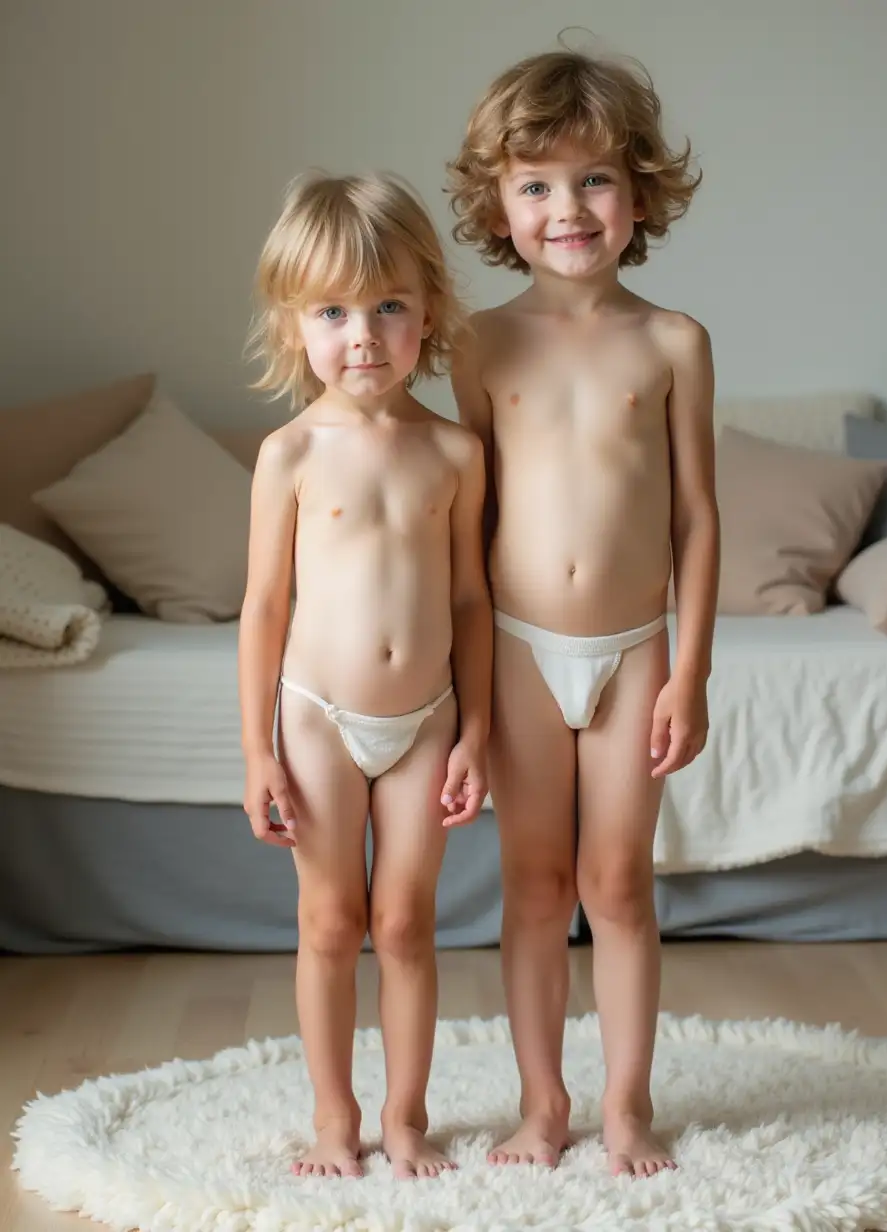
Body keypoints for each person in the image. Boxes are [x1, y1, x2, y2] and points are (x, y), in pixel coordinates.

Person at [447, 48, 719, 1179]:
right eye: (537, 185)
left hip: (631, 650)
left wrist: (688, 671)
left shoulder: (672, 343)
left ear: (642, 192)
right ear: (499, 204)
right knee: (532, 883)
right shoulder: (476, 342)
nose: (568, 209)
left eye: (595, 181)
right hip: (515, 647)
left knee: (617, 881)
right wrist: (459, 705)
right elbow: (466, 528)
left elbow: (697, 519)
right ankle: (540, 1101)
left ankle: (626, 1102)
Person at [238, 171, 492, 1181]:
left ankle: (407, 1116)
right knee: (330, 919)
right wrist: (256, 746)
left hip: (425, 717)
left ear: (427, 309)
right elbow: (263, 608)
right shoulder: (289, 453)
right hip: (317, 718)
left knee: (406, 920)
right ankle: (333, 1116)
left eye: (390, 305)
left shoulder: (455, 453)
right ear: (295, 323)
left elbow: (470, 602)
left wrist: (472, 730)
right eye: (335, 310)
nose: (365, 334)